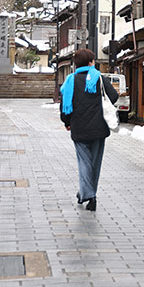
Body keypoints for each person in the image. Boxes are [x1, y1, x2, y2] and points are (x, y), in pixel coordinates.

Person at [59, 48, 117, 211]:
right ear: (91, 62)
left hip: (79, 129)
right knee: (94, 164)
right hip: (99, 128)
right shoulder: (99, 78)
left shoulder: (70, 80)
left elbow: (64, 106)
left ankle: (87, 194)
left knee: (84, 163)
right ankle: (88, 194)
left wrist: (67, 122)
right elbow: (113, 96)